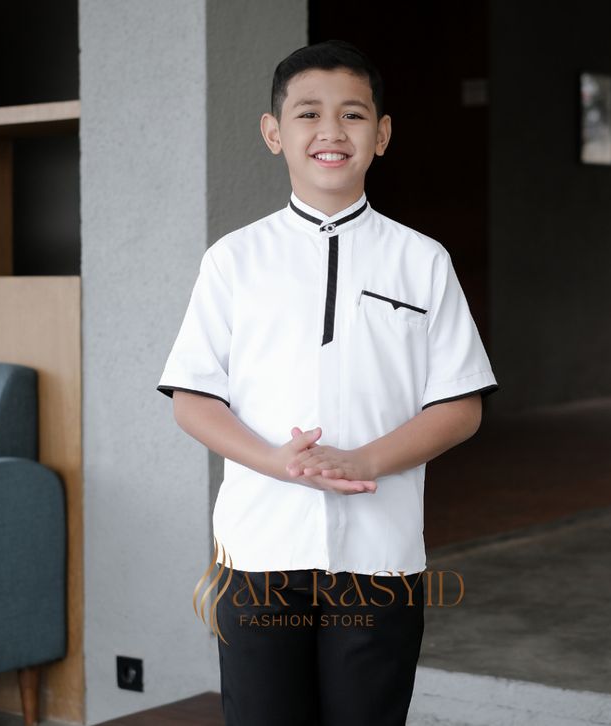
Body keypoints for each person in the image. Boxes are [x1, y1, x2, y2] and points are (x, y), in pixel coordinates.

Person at [157, 39, 498, 726]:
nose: (331, 131)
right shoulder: (234, 259)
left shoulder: (423, 260)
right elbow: (193, 399)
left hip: (379, 554)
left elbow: (460, 406)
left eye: (353, 114)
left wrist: (365, 461)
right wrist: (277, 462)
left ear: (383, 134)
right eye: (308, 114)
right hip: (258, 549)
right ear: (273, 132)